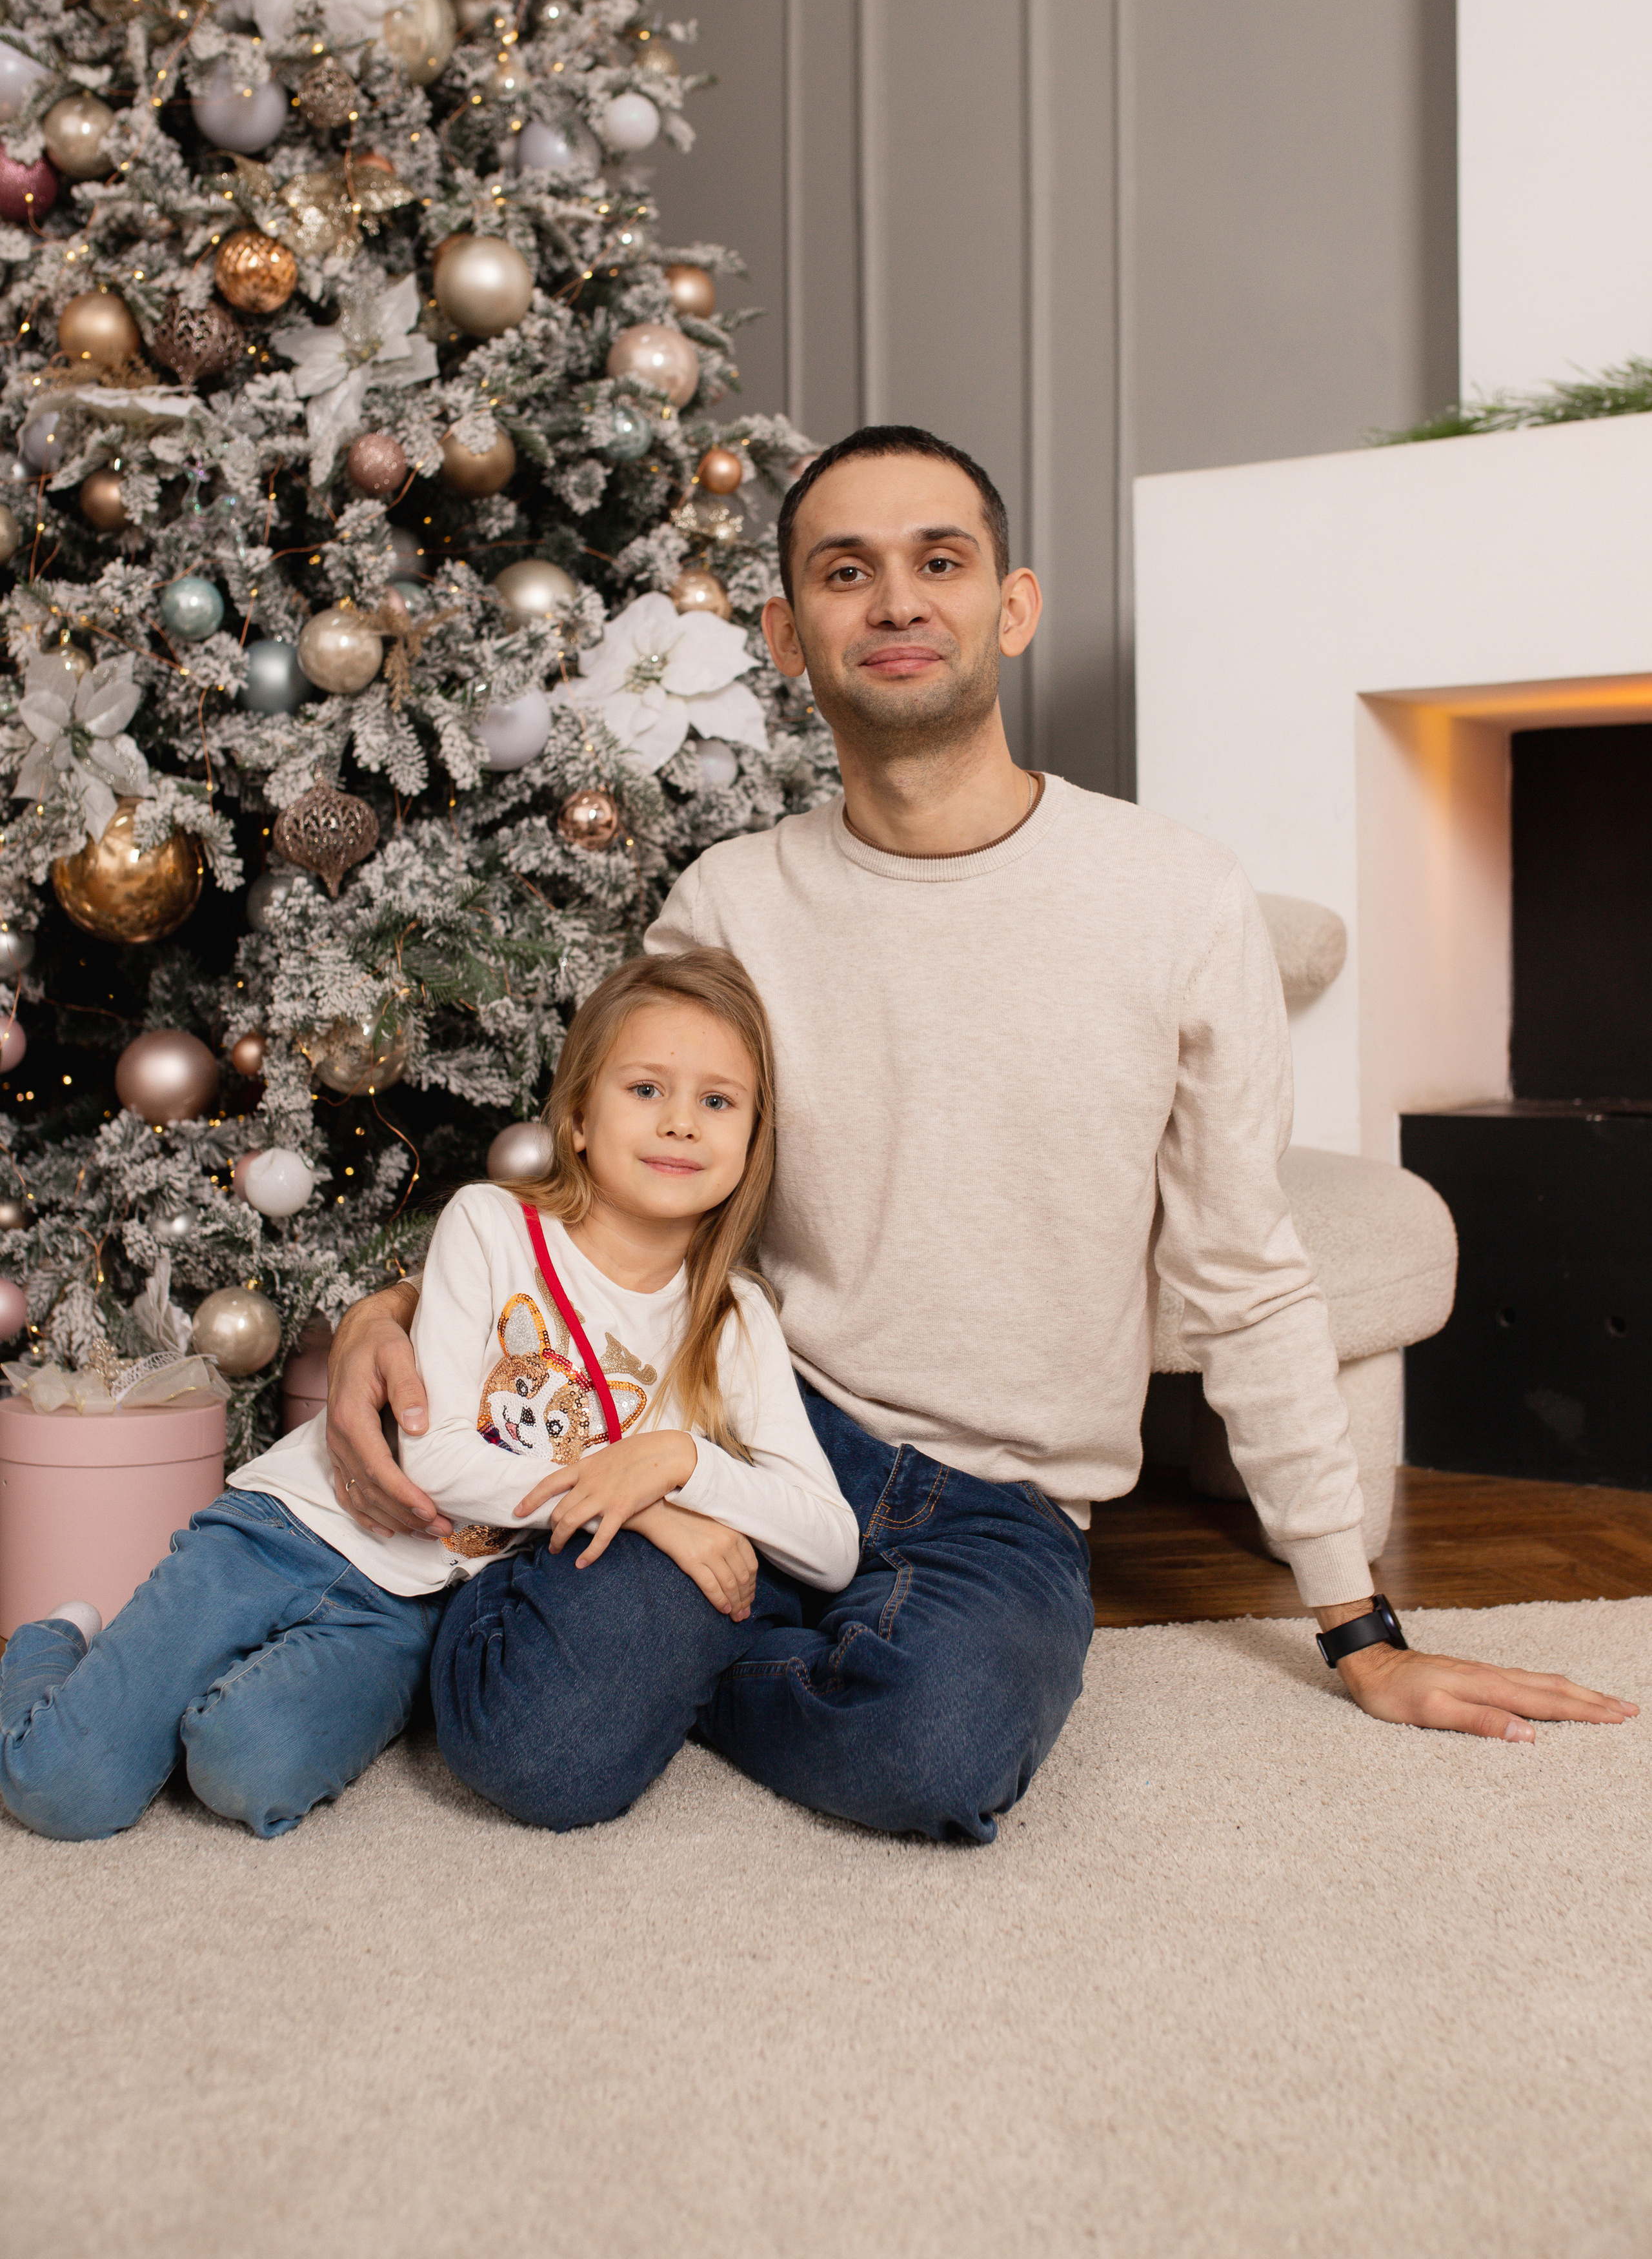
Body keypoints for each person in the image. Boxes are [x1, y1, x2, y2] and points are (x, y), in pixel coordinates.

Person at [327, 424, 1639, 1843]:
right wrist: (396, 1305)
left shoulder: (1176, 899)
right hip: (747, 1434)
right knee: (536, 1752)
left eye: (936, 562)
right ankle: (614, 1641)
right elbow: (626, 1190)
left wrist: (1357, 1627)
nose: (895, 603)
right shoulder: (727, 904)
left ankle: (705, 1658)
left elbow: (1241, 1270)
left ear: (1007, 607)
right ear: (784, 633)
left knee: (937, 1758)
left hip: (1002, 1506)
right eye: (845, 571)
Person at [0, 949, 856, 1841]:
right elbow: (439, 1460)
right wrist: (645, 1508)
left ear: (754, 1139)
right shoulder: (492, 1224)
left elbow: (830, 1547)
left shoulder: (737, 1316)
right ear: (576, 1119)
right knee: (65, 1787)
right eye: (646, 1089)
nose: (682, 1124)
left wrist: (682, 1464)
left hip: (411, 1612)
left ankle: (198, 1695)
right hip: (296, 1528)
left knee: (242, 1766)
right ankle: (55, 1645)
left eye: (718, 1102)